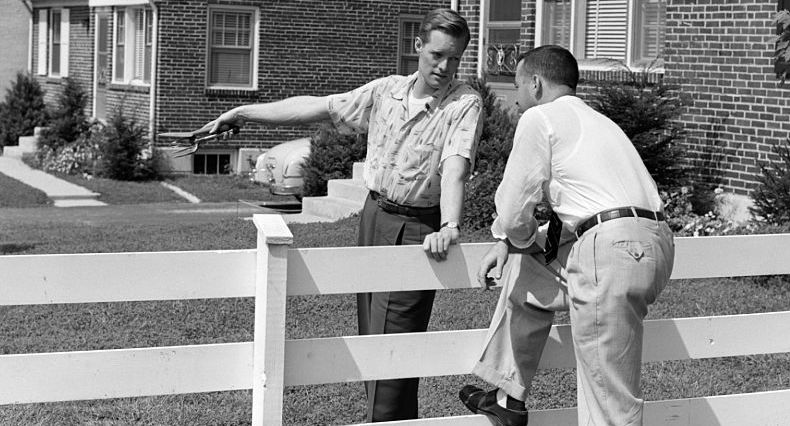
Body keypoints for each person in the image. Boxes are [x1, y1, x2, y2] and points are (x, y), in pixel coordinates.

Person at [202, 9, 483, 422]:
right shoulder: (386, 91)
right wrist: (244, 112)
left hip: (417, 228)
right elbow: (317, 107)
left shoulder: (464, 103)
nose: (444, 66)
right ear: (418, 47)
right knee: (372, 337)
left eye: (455, 58)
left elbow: (456, 166)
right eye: (437, 54)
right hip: (373, 216)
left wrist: (450, 225)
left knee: (396, 347)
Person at [458, 45, 675, 426]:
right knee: (529, 274)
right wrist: (511, 245)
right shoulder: (598, 122)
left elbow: (512, 207)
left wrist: (515, 235)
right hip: (653, 243)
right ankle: (508, 399)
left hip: (610, 249)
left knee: (608, 401)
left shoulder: (540, 118)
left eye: (519, 87)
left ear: (537, 85)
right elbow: (592, 208)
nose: (516, 101)